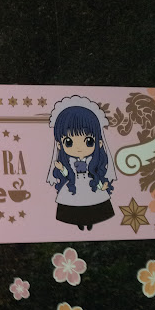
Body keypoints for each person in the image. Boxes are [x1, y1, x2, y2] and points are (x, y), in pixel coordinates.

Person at [46, 96, 117, 230]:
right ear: (60, 145)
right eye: (69, 142)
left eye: (89, 141)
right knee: (74, 202)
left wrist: (102, 186)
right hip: (74, 185)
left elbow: (95, 174)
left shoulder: (93, 162)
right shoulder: (70, 162)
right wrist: (62, 169)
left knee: (93, 200)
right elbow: (68, 174)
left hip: (90, 185)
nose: (79, 148)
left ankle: (90, 222)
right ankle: (79, 222)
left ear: (99, 142)